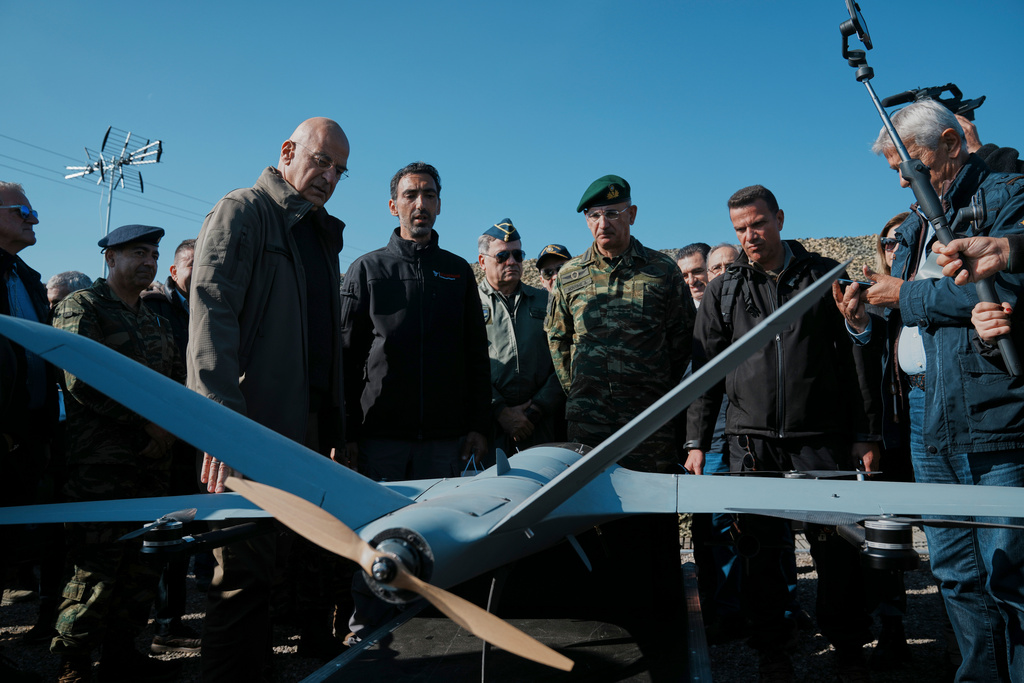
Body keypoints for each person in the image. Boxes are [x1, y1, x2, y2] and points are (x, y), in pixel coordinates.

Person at [854, 99, 1024, 682]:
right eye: (896, 168)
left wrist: (902, 296)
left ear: (952, 144)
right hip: (927, 409)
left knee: (1010, 571)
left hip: (994, 409)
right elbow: (909, 309)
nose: (903, 176)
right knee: (953, 569)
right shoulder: (915, 222)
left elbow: (1004, 291)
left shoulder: (1006, 197)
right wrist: (864, 315)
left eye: (913, 162)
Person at [685, 185, 879, 681]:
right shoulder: (725, 291)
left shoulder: (825, 276)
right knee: (760, 555)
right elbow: (704, 372)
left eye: (758, 224)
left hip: (821, 439)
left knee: (836, 549)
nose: (750, 236)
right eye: (740, 229)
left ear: (780, 219)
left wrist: (866, 434)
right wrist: (697, 443)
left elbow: (857, 357)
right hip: (751, 442)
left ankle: (851, 649)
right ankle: (773, 649)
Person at [188, 117, 350, 681]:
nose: (329, 177)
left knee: (276, 574)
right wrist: (221, 429)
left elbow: (325, 345)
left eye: (339, 170)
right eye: (321, 161)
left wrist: (331, 432)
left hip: (301, 435)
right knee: (239, 578)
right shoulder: (245, 211)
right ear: (287, 151)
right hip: (248, 434)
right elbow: (212, 320)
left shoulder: (318, 234)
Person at [340, 161, 490, 642]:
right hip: (381, 439)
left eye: (428, 195)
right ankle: (366, 635)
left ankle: (429, 637)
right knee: (376, 538)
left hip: (444, 442)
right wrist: (342, 434)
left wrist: (478, 426)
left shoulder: (457, 272)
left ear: (440, 203)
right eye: (410, 195)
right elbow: (343, 361)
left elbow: (475, 356)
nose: (419, 204)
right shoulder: (367, 270)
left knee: (435, 541)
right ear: (393, 205)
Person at [50, 224, 184, 683]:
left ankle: (123, 652)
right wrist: (144, 423)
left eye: (153, 254)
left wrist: (166, 431)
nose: (148, 261)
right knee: (96, 569)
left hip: (151, 462)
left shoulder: (156, 320)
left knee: (142, 567)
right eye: (137, 253)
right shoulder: (81, 306)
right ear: (110, 259)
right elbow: (80, 380)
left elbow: (174, 386)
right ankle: (74, 661)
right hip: (101, 465)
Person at [547, 174, 694, 473]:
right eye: (595, 215)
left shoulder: (662, 270)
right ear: (587, 221)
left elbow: (683, 337)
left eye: (612, 213)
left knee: (651, 510)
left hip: (648, 418)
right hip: (589, 422)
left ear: (632, 214)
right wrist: (580, 388)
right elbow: (557, 339)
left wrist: (653, 383)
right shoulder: (569, 275)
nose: (603, 223)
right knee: (591, 510)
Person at [0, 182, 57, 683]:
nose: (34, 219)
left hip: (28, 435)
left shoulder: (28, 278)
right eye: (23, 211)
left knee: (8, 551)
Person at [477, 219, 564, 458]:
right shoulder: (468, 303)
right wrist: (500, 411)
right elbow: (461, 365)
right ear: (483, 262)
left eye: (518, 254)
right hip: (488, 428)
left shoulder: (546, 302)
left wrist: (536, 409)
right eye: (502, 256)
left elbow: (564, 360)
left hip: (542, 424)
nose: (512, 262)